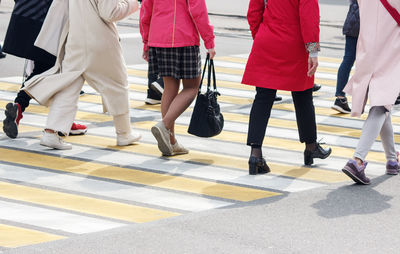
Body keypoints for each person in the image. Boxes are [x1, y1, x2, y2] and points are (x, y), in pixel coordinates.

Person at [23, 0, 141, 150]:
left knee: (69, 86)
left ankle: (51, 132)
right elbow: (110, 12)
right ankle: (124, 133)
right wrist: (132, 3)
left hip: (75, 39)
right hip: (99, 40)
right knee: (118, 84)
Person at [242, 0, 332, 175]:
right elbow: (309, 17)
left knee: (262, 98)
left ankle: (255, 154)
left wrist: (260, 35)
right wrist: (313, 51)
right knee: (303, 95)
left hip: (267, 40)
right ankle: (311, 146)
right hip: (294, 44)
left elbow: (253, 12)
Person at [1, 0, 87, 139]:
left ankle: (20, 108)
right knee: (60, 72)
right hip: (46, 24)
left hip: (24, 16)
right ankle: (61, 123)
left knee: (45, 70)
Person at [140, 0, 216, 156]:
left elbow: (146, 11)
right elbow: (198, 10)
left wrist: (146, 41)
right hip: (184, 37)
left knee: (169, 88)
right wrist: (209, 40)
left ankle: (171, 141)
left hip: (159, 38)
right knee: (192, 88)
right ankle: (165, 125)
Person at [341, 0, 400, 185]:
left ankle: (392, 159)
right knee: (382, 104)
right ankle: (357, 160)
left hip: (367, 50)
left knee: (383, 102)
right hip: (391, 49)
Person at [332, 0, 359, 114]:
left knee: (347, 60)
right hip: (367, 28)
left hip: (352, 24)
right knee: (375, 63)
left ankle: (340, 98)